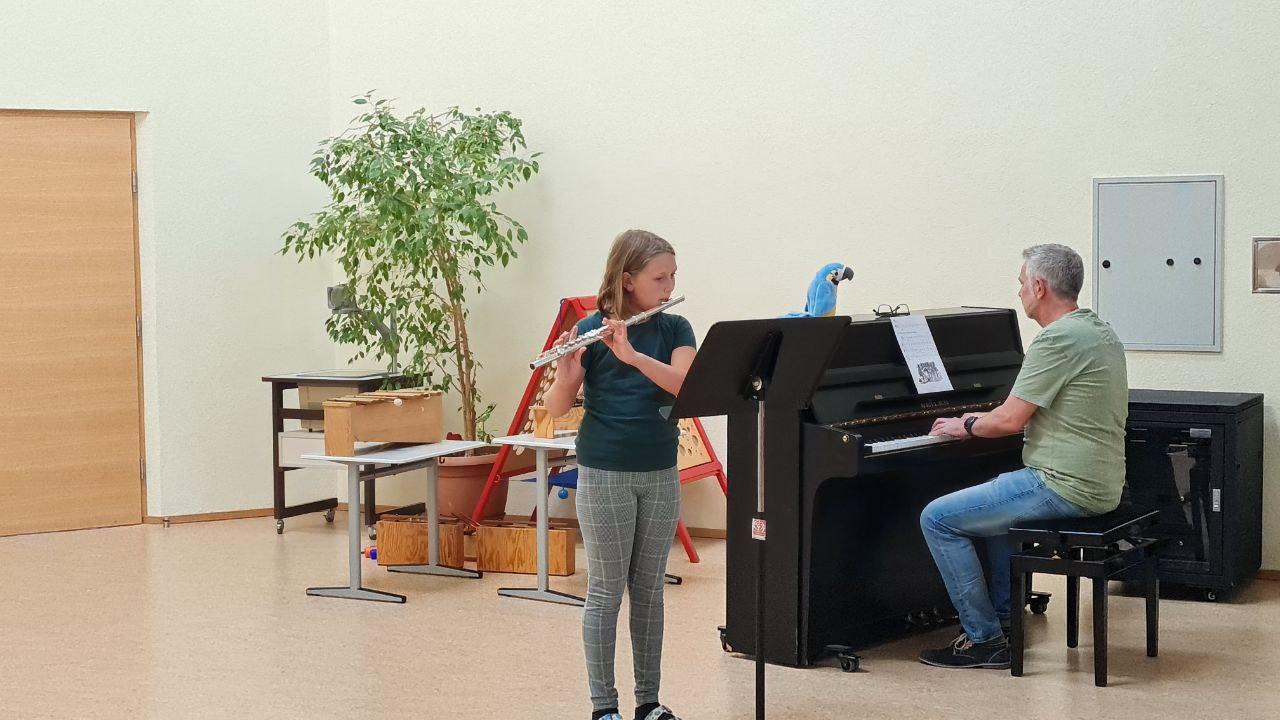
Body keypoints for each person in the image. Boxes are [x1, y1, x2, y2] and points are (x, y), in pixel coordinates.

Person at [917, 243, 1129, 669]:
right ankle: (1004, 620)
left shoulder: (1057, 339)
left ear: (1040, 286)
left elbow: (1010, 420)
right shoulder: (1098, 331)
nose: (1019, 292)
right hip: (1102, 482)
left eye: (1021, 284)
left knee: (936, 518)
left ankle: (984, 640)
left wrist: (965, 425)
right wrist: (985, 418)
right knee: (996, 517)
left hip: (1063, 484)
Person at [544, 229, 695, 720]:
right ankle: (603, 707)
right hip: (605, 469)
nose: (669, 286)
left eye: (672, 276)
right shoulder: (591, 329)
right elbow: (556, 407)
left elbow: (686, 386)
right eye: (659, 278)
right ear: (628, 280)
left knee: (649, 590)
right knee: (606, 590)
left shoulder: (676, 329)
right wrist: (567, 374)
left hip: (659, 469)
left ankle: (648, 702)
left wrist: (633, 357)